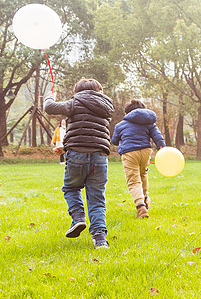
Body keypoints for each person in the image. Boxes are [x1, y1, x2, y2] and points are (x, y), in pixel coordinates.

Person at [43, 78, 115, 249]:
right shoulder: (106, 106)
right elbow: (90, 130)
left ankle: (78, 218)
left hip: (76, 156)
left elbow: (49, 108)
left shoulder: (74, 102)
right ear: (100, 90)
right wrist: (66, 146)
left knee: (70, 188)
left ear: (77, 91)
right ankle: (100, 240)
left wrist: (49, 96)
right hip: (99, 156)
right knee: (97, 199)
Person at [110, 99, 166, 219]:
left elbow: (114, 141)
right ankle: (145, 198)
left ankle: (140, 207)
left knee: (133, 180)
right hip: (146, 151)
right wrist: (162, 149)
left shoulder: (120, 125)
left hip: (129, 153)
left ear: (127, 114)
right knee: (143, 174)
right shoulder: (149, 123)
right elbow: (158, 137)